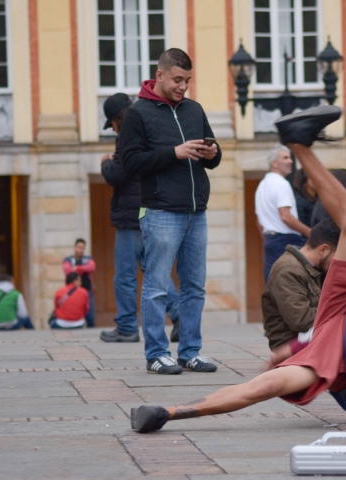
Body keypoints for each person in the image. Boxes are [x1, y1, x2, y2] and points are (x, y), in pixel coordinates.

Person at [130, 105, 346, 434]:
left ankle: (166, 413)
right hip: (341, 312)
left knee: (263, 386)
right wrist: (296, 346)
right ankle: (298, 142)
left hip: (342, 352)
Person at [120, 48, 221, 375]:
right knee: (157, 285)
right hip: (161, 210)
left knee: (195, 286)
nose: (183, 87)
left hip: (196, 211)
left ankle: (190, 351)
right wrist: (174, 153)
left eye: (188, 80)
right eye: (178, 79)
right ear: (160, 75)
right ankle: (156, 354)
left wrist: (212, 152)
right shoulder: (138, 113)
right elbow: (129, 162)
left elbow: (214, 160)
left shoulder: (194, 110)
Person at [98, 93, 180, 344]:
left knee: (124, 273)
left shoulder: (127, 134)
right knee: (154, 269)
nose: (112, 129)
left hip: (130, 215)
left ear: (117, 119)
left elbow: (120, 174)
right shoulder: (148, 126)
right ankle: (180, 316)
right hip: (148, 209)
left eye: (111, 123)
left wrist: (106, 164)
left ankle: (126, 326)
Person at [262, 219, 339, 351]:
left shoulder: (310, 267)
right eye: (338, 256)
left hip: (312, 342)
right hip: (291, 349)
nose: (339, 263)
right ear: (324, 250)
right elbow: (302, 321)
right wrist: (340, 308)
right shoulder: (288, 270)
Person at [255, 145, 312, 282]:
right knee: (290, 288)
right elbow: (286, 216)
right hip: (286, 241)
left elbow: (259, 221)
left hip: (270, 240)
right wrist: (311, 233)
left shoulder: (261, 185)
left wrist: (268, 239)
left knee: (272, 287)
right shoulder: (282, 184)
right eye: (285, 158)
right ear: (274, 163)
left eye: (290, 157)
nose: (290, 161)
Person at [62, 239, 96, 327]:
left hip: (87, 290)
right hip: (73, 292)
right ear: (74, 247)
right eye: (79, 247)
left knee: (90, 315)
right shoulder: (68, 259)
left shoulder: (87, 258)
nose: (81, 250)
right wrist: (84, 269)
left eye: (83, 248)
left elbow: (92, 267)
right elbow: (67, 270)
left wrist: (78, 268)